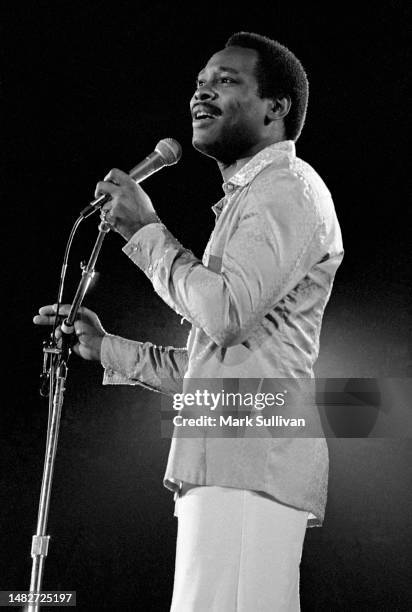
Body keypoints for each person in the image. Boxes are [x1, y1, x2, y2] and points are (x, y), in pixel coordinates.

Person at [34, 32, 343, 611]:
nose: (202, 94)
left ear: (277, 108)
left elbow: (222, 316)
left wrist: (146, 231)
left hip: (251, 464)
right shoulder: (253, 198)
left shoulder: (286, 190)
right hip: (232, 458)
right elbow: (219, 374)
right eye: (200, 83)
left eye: (226, 81)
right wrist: (105, 349)